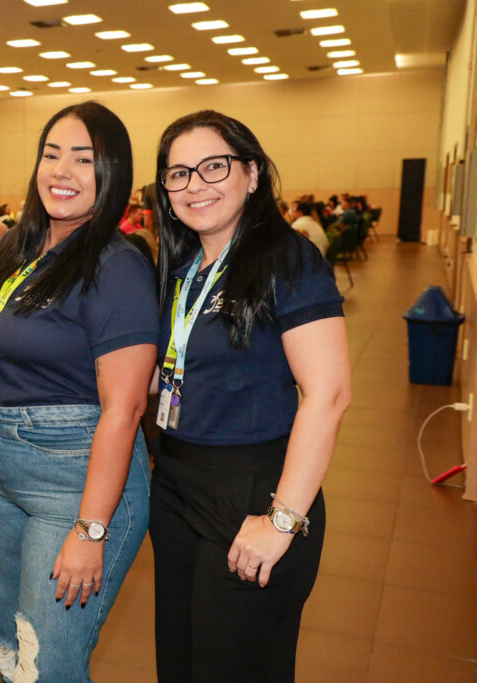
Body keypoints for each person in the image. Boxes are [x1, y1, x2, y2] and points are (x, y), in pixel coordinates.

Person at [0, 101, 158, 682]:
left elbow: (125, 408)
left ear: (112, 173)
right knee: (6, 637)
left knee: (48, 665)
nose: (61, 171)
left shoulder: (116, 266)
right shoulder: (18, 246)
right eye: (51, 154)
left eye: (83, 159)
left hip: (73, 484)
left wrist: (91, 528)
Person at [151, 110, 351, 682]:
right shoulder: (183, 266)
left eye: (214, 167)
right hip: (176, 486)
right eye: (178, 173)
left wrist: (281, 519)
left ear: (252, 174)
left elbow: (330, 392)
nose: (195, 185)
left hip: (253, 490)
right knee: (182, 663)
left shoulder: (287, 259)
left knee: (234, 666)